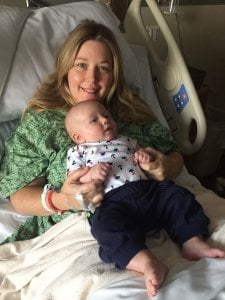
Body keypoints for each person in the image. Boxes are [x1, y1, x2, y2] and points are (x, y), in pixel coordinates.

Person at [0, 19, 206, 296]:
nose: (92, 79)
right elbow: (18, 195)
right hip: (88, 222)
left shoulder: (132, 111)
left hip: (154, 201)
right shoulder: (42, 124)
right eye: (81, 65)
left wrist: (164, 167)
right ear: (66, 68)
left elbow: (174, 156)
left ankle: (193, 241)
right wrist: (62, 199)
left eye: (103, 68)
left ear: (115, 74)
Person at [65, 99, 225, 297]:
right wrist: (91, 175)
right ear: (78, 136)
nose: (105, 121)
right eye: (94, 120)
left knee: (176, 195)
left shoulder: (126, 140)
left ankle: (192, 241)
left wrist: (145, 157)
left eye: (107, 115)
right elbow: (75, 179)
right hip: (113, 202)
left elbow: (145, 154)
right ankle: (145, 261)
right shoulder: (77, 152)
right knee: (103, 225)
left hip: (148, 191)